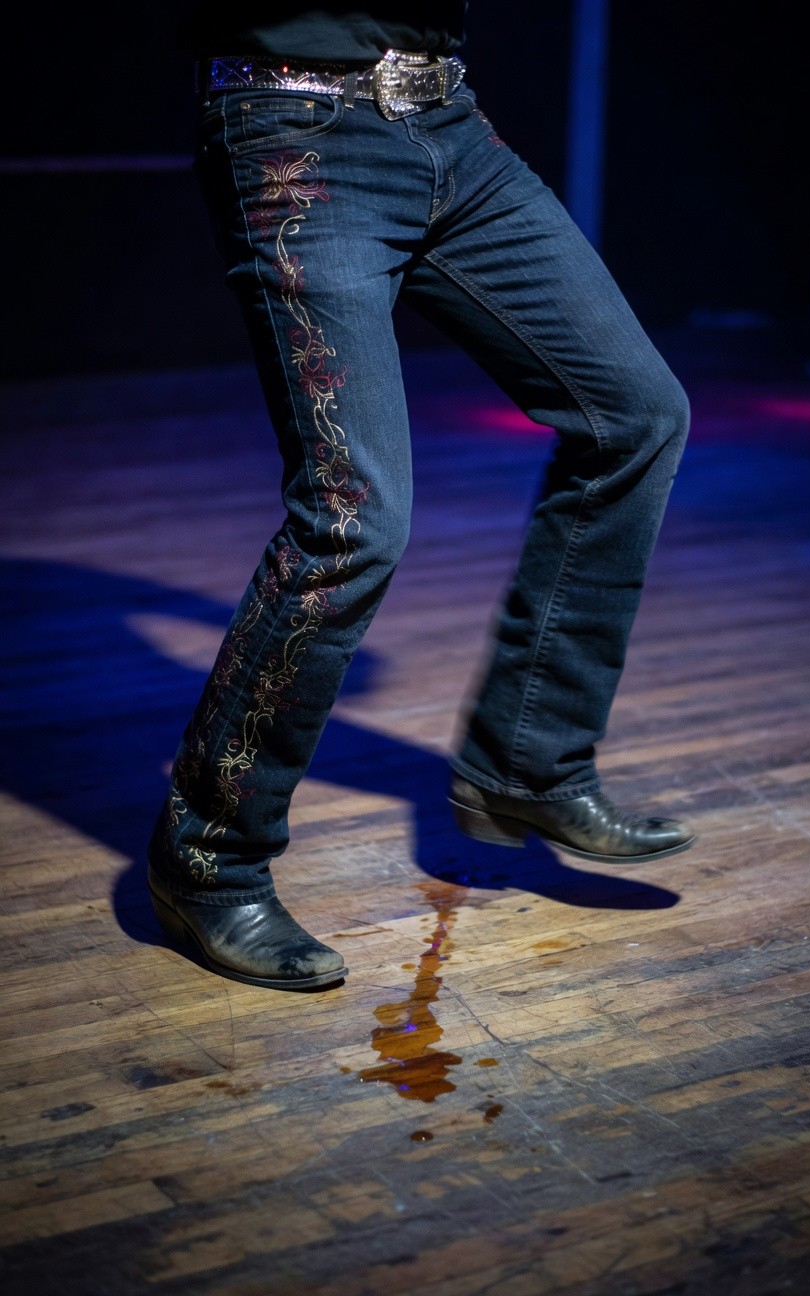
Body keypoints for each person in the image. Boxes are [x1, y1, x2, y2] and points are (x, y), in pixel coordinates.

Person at [148, 2, 696, 991]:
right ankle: (207, 859)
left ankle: (528, 765)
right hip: (298, 132)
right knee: (353, 520)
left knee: (637, 415)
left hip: (449, 125)